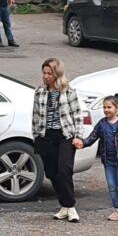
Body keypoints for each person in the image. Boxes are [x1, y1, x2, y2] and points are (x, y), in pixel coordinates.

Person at [32, 58, 82, 221]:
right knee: (52, 173)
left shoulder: (68, 91)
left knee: (64, 170)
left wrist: (78, 136)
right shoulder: (39, 91)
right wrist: (36, 135)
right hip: (46, 136)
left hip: (65, 135)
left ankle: (70, 206)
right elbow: (35, 115)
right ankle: (64, 206)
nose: (45, 76)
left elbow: (77, 114)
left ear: (57, 74)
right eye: (44, 73)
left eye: (49, 73)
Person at [88, 95, 118, 221]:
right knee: (111, 186)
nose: (106, 110)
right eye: (104, 107)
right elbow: (92, 137)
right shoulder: (102, 124)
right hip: (108, 161)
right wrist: (82, 142)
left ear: (117, 108)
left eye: (109, 107)